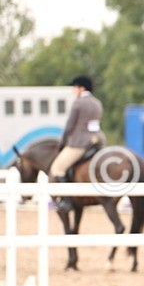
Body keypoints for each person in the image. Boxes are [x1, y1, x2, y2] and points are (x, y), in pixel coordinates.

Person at [51, 75, 105, 213]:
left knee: (57, 168)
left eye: (74, 88)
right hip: (97, 140)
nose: (73, 91)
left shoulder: (78, 103)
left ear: (82, 88)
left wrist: (62, 142)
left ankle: (67, 200)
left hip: (80, 143)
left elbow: (70, 126)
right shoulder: (97, 103)